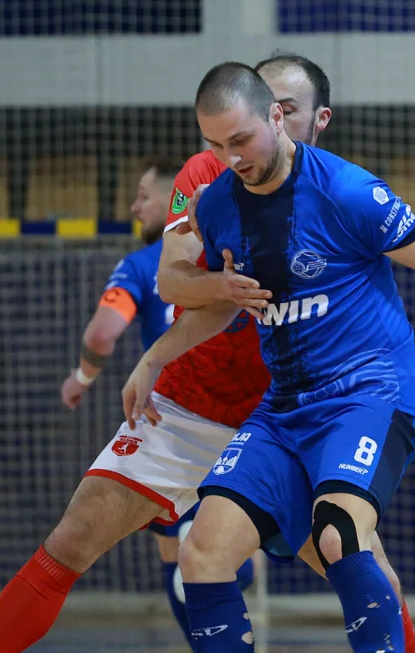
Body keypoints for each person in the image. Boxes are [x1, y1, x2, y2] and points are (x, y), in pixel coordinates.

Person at [0, 54, 408, 653]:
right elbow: (172, 282)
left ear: (315, 119)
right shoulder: (206, 175)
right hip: (187, 404)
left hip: (284, 421)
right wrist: (202, 307)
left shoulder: (341, 195)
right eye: (261, 102)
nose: (269, 118)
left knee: (358, 565)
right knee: (73, 537)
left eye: (286, 107)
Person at [126, 62, 415, 653]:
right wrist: (153, 359)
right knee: (201, 553)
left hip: (366, 393)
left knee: (339, 536)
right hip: (283, 407)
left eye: (241, 139)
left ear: (277, 117)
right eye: (216, 146)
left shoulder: (347, 191)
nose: (231, 157)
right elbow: (223, 305)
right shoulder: (217, 205)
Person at [57, 157, 256, 646]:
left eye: (143, 196)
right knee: (237, 544)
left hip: (176, 419)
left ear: (174, 199)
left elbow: (103, 333)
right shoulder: (242, 248)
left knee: (180, 561)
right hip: (252, 415)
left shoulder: (142, 265)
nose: (134, 206)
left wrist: (82, 376)